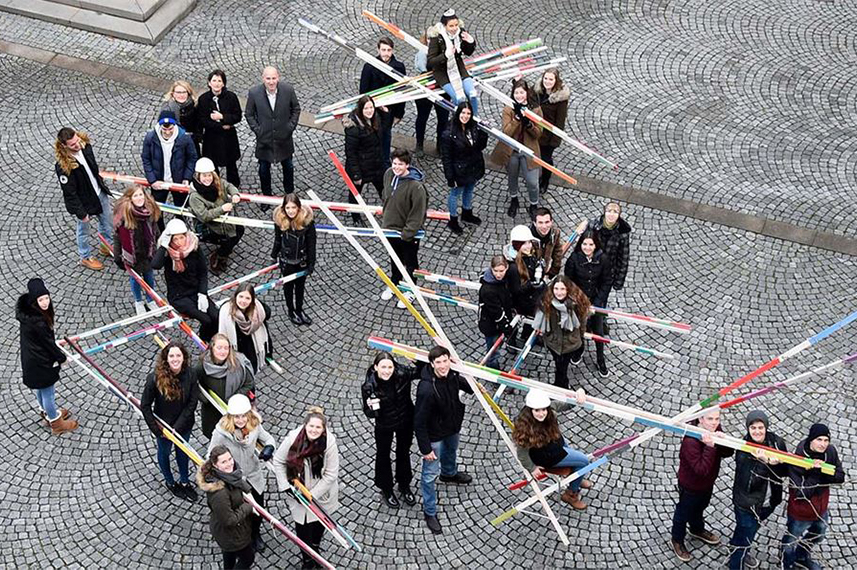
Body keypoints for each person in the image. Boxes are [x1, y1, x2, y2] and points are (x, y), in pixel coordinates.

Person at [414, 346, 474, 534]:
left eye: (445, 361)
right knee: (429, 475)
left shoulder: (453, 374)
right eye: (438, 362)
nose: (443, 366)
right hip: (434, 436)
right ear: (432, 364)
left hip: (452, 427)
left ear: (450, 360)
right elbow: (419, 422)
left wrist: (473, 385)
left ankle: (449, 474)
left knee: (451, 452)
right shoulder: (426, 389)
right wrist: (425, 449)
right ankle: (429, 511)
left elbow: (464, 386)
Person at [273, 407, 340, 570]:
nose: (314, 430)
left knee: (319, 526)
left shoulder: (329, 443)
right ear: (305, 425)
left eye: (318, 427)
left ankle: (315, 551)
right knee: (303, 531)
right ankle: (307, 560)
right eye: (311, 426)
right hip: (298, 493)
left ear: (323, 429)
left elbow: (331, 474)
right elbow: (279, 461)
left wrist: (311, 495)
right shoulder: (292, 439)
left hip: (321, 495)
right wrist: (284, 485)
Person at [209, 394, 276, 554]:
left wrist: (269, 448)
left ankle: (256, 534)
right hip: (235, 482)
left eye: (243, 415)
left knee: (258, 509)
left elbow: (268, 439)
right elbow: (211, 456)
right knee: (242, 512)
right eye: (236, 416)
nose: (240, 420)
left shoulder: (254, 425)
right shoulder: (221, 433)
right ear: (231, 417)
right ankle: (245, 539)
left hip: (254, 476)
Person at [670, 408, 734, 562]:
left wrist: (722, 440)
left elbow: (727, 453)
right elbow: (701, 470)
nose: (714, 423)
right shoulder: (690, 441)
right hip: (691, 486)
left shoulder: (714, 429)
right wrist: (710, 447)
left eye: (717, 419)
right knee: (682, 514)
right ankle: (677, 540)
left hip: (707, 484)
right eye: (710, 419)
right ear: (700, 420)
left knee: (700, 507)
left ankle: (696, 529)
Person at [16, 278, 78, 434]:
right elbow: (48, 345)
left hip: (32, 360)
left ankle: (46, 412)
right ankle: (56, 423)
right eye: (41, 300)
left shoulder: (28, 316)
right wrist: (62, 358)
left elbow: (43, 341)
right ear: (34, 301)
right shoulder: (39, 322)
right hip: (41, 363)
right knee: (48, 392)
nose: (45, 303)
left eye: (46, 298)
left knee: (41, 390)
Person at [727, 410, 788, 570]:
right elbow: (751, 482)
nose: (757, 431)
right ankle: (736, 563)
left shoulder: (777, 443)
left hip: (769, 502)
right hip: (747, 506)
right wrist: (765, 462)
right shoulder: (743, 449)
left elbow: (784, 472)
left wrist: (778, 464)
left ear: (766, 427)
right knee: (745, 537)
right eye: (753, 428)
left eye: (760, 427)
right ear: (748, 429)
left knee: (746, 532)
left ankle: (736, 544)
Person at [781, 423, 846, 570]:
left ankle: (802, 556)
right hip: (800, 512)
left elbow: (840, 476)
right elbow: (801, 493)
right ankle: (788, 563)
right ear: (811, 440)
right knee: (790, 541)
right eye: (819, 440)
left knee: (819, 534)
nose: (823, 444)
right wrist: (816, 473)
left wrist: (822, 471)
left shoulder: (830, 452)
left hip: (821, 508)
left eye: (825, 440)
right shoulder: (798, 459)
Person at [513, 389, 592, 509]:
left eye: (544, 409)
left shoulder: (551, 411)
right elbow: (522, 453)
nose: (541, 413)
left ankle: (576, 477)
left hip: (556, 444)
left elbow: (567, 403)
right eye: (537, 410)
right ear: (530, 410)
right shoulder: (525, 427)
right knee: (584, 462)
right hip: (547, 456)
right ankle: (571, 494)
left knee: (578, 462)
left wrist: (579, 393)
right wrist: (532, 468)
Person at [141, 341, 199, 501]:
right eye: (171, 355)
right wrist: (157, 430)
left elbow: (192, 402)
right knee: (164, 453)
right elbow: (145, 406)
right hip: (163, 428)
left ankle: (185, 481)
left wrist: (178, 427)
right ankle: (170, 482)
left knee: (183, 453)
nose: (175, 359)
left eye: (178, 355)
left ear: (184, 357)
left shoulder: (191, 374)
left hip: (184, 425)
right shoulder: (154, 379)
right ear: (166, 358)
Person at [361, 353, 420, 509]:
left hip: (405, 420)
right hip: (384, 424)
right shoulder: (369, 386)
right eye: (383, 367)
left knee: (403, 452)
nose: (387, 371)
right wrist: (373, 408)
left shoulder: (403, 374)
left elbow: (421, 372)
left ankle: (404, 484)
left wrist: (418, 360)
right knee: (383, 455)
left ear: (395, 367)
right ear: (376, 367)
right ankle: (386, 488)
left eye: (390, 367)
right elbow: (367, 412)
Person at [54, 127, 114, 271]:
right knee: (83, 231)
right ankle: (85, 257)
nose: (78, 145)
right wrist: (81, 213)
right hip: (84, 202)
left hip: (99, 192)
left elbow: (93, 168)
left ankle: (106, 246)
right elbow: (70, 193)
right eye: (73, 144)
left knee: (107, 223)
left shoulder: (85, 146)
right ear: (64, 146)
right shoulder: (64, 166)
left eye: (77, 141)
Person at [151, 219, 218, 342]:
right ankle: (205, 340)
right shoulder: (168, 253)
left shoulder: (194, 248)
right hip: (179, 296)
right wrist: (164, 246)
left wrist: (202, 293)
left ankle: (213, 338)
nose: (179, 242)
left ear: (186, 236)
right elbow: (155, 265)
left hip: (196, 291)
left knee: (216, 316)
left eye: (181, 238)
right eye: (175, 239)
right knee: (206, 319)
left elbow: (203, 272)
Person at [379, 149, 427, 309]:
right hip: (390, 228)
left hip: (407, 233)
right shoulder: (388, 174)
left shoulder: (416, 187)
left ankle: (411, 288)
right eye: (394, 163)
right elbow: (386, 194)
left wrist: (407, 233)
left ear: (407, 165)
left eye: (400, 164)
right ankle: (395, 283)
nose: (396, 167)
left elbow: (418, 213)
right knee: (394, 257)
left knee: (410, 261)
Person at [490, 79, 543, 219]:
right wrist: (517, 119)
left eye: (522, 92)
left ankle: (533, 204)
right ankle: (514, 199)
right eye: (516, 93)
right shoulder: (509, 108)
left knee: (532, 181)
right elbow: (506, 132)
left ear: (527, 93)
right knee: (512, 177)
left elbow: (538, 134)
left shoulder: (536, 109)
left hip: (529, 150)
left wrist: (529, 125)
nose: (519, 96)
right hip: (512, 151)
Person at [245, 66, 301, 201]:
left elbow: (296, 109)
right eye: (268, 78)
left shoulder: (288, 90)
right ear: (263, 78)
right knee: (264, 170)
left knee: (288, 167)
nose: (271, 82)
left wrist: (289, 127)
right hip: (264, 140)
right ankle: (266, 197)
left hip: (284, 139)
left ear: (278, 78)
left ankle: (290, 195)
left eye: (274, 78)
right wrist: (258, 130)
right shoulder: (254, 93)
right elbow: (249, 114)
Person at [196, 445, 256, 570]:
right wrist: (248, 507)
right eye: (224, 462)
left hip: (229, 533)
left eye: (230, 459)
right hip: (232, 534)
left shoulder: (226, 475)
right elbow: (229, 520)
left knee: (229, 556)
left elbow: (237, 481)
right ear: (216, 465)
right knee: (247, 558)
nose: (229, 464)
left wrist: (248, 490)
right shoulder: (219, 493)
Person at [563, 231, 613, 377]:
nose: (588, 247)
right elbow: (569, 281)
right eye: (585, 244)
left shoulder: (603, 259)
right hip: (579, 301)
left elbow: (607, 281)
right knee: (579, 328)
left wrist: (597, 302)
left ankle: (600, 358)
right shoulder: (573, 259)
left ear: (596, 245)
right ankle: (579, 349)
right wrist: (579, 300)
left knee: (598, 330)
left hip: (597, 301)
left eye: (591, 244)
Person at [187, 157, 244, 274]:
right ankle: (219, 255)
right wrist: (222, 209)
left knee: (240, 230)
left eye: (209, 175)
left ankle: (223, 252)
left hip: (223, 222)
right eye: (204, 176)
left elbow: (228, 186)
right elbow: (204, 216)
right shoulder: (195, 196)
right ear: (198, 177)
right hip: (209, 226)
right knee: (230, 239)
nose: (207, 179)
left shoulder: (217, 183)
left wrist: (235, 193)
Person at [532, 277, 590, 389]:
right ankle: (562, 384)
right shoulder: (546, 302)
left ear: (568, 289)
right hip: (553, 342)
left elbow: (582, 324)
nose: (559, 292)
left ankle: (561, 385)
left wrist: (579, 337)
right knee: (559, 364)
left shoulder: (576, 304)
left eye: (562, 289)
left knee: (562, 366)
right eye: (556, 288)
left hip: (570, 344)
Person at [112, 184, 162, 315]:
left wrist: (158, 243)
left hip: (148, 252)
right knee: (135, 279)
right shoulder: (125, 215)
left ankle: (150, 300)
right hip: (132, 255)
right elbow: (118, 237)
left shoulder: (150, 210)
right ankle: (138, 301)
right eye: (136, 195)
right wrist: (118, 257)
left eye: (141, 194)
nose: (139, 198)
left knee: (149, 277)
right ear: (130, 198)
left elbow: (155, 228)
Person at [440, 101, 488, 234]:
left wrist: (484, 132)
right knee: (455, 194)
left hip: (472, 167)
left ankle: (467, 213)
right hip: (459, 170)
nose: (465, 116)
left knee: (469, 190)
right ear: (458, 113)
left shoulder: (473, 127)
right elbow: (446, 157)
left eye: (468, 113)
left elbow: (480, 147)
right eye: (463, 113)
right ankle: (453, 219)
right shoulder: (449, 133)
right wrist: (450, 177)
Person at [197, 333, 256, 439]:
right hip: (212, 410)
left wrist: (235, 398)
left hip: (234, 411)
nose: (223, 351)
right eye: (219, 348)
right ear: (212, 348)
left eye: (226, 348)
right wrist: (205, 399)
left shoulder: (239, 364)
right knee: (214, 437)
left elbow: (249, 383)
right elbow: (194, 384)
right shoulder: (203, 366)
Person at [271, 193, 316, 325]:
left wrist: (311, 264)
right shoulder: (280, 222)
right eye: (288, 208)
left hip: (301, 261)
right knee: (288, 288)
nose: (291, 211)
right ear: (284, 209)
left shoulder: (307, 223)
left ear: (298, 208)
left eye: (293, 207)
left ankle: (299, 309)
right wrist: (273, 256)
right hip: (287, 263)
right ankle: (291, 311)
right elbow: (277, 241)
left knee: (300, 287)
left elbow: (311, 245)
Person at [359, 38, 406, 165]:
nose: (386, 53)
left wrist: (398, 114)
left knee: (386, 137)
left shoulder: (399, 67)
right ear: (378, 50)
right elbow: (363, 92)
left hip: (388, 112)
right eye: (383, 50)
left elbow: (402, 93)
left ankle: (385, 162)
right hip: (372, 111)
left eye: (389, 50)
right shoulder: (369, 66)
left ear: (393, 50)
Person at [342, 95, 387, 224]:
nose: (370, 111)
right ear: (360, 109)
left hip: (376, 164)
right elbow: (350, 153)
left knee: (384, 190)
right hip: (361, 167)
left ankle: (389, 211)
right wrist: (356, 174)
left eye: (371, 107)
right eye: (366, 108)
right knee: (356, 194)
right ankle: (356, 217)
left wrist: (386, 113)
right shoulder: (353, 128)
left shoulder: (375, 118)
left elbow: (385, 129)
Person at [141, 110, 198, 208]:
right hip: (159, 181)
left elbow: (192, 158)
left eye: (170, 129)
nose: (167, 132)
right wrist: (152, 180)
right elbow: (146, 159)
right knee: (157, 211)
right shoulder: (150, 138)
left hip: (179, 181)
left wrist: (187, 177)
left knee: (181, 209)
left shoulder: (184, 138)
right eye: (164, 129)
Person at [426, 10, 478, 115]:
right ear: (444, 26)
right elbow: (430, 62)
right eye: (451, 26)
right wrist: (445, 55)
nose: (454, 28)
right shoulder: (436, 38)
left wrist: (470, 42)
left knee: (472, 94)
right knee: (459, 99)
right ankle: (459, 120)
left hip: (459, 69)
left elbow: (468, 52)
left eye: (456, 25)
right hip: (443, 74)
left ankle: (475, 120)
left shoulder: (460, 32)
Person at [197, 69, 243, 186]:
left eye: (219, 81)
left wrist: (222, 116)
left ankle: (233, 188)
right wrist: (221, 126)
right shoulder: (203, 99)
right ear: (209, 83)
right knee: (213, 166)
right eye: (214, 80)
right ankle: (215, 187)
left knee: (231, 165)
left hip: (228, 138)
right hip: (211, 138)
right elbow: (202, 120)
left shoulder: (231, 97)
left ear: (223, 83)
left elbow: (237, 116)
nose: (217, 83)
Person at [503, 225, 546, 347]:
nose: (528, 246)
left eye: (529, 242)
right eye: (524, 243)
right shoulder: (513, 267)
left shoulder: (531, 255)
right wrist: (532, 285)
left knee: (532, 319)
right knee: (514, 323)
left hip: (533, 299)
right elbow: (516, 290)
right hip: (518, 302)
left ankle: (527, 334)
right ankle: (511, 341)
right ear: (517, 245)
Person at [218, 284, 272, 373]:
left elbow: (267, 313)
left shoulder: (257, 309)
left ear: (252, 300)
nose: (243, 301)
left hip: (252, 346)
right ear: (236, 296)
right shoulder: (226, 312)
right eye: (241, 296)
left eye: (247, 298)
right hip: (239, 348)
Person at [581, 202, 631, 292]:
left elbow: (623, 258)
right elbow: (581, 247)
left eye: (615, 212)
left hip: (606, 274)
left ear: (619, 215)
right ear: (604, 212)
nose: (611, 214)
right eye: (609, 211)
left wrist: (618, 282)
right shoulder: (593, 226)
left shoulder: (622, 233)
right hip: (589, 270)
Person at [413, 31, 449, 156]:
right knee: (422, 117)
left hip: (442, 88)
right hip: (425, 89)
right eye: (429, 39)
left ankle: (440, 145)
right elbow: (422, 70)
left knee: (443, 118)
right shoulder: (422, 53)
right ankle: (419, 144)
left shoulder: (443, 52)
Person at [534, 68, 570, 192]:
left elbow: (560, 122)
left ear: (556, 81)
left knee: (546, 159)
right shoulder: (538, 91)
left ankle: (545, 180)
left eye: (551, 79)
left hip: (547, 137)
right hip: (534, 131)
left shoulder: (561, 100)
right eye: (546, 78)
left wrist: (554, 141)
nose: (547, 81)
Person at [477, 255, 515, 370]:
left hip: (501, 317)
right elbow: (496, 312)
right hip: (491, 325)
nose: (498, 274)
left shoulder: (505, 279)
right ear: (491, 269)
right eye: (496, 271)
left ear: (506, 268)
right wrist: (506, 326)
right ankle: (493, 370)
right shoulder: (488, 290)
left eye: (501, 271)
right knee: (493, 350)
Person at [531, 207, 574, 279]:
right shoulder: (527, 237)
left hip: (545, 269)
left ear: (551, 222)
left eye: (547, 222)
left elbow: (557, 251)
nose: (544, 226)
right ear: (535, 223)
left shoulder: (555, 233)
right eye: (540, 223)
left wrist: (554, 269)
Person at [161, 80, 200, 156]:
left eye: (184, 92)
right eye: (178, 92)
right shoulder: (167, 108)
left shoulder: (194, 105)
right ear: (173, 94)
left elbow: (198, 124)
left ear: (188, 93)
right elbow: (164, 129)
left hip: (192, 142)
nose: (181, 95)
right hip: (174, 144)